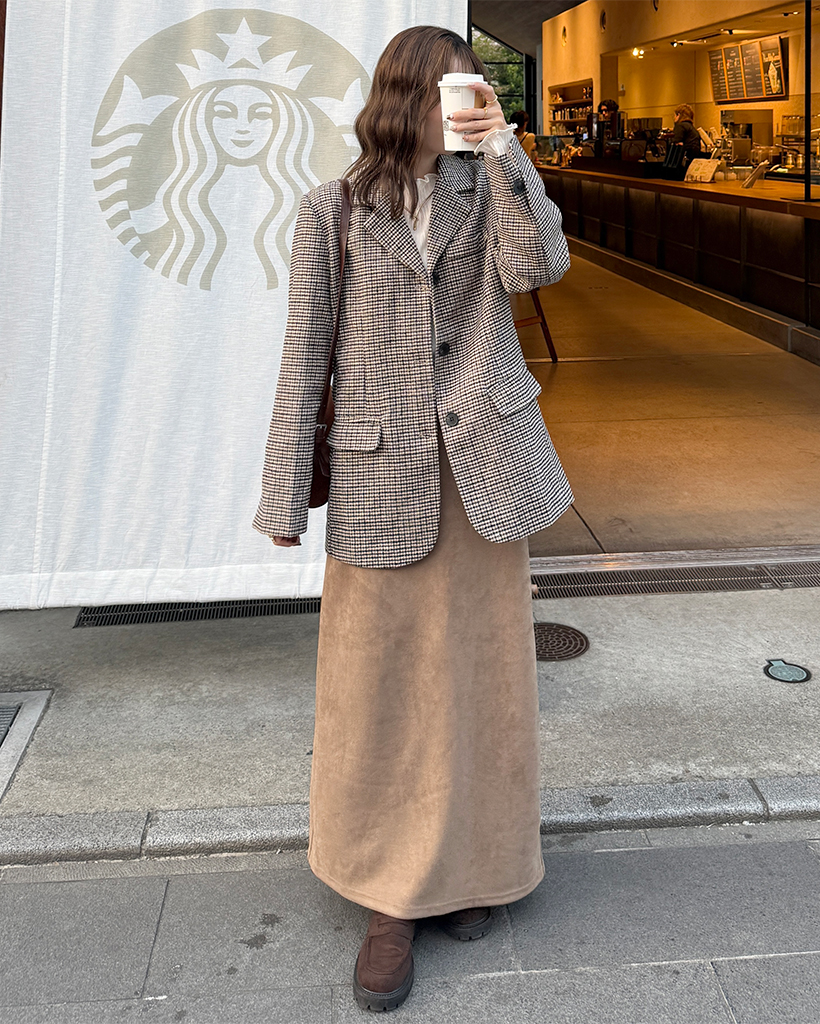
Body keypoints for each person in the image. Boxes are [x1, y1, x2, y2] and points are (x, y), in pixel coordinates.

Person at [253, 24, 573, 1013]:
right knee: (379, 688)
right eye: (449, 90)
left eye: (473, 90)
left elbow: (541, 264)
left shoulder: (490, 190)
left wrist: (506, 147)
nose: (461, 104)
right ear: (405, 97)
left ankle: (474, 869)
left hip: (484, 473)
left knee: (482, 678)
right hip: (379, 476)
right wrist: (282, 492)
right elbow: (304, 353)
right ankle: (389, 895)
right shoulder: (333, 210)